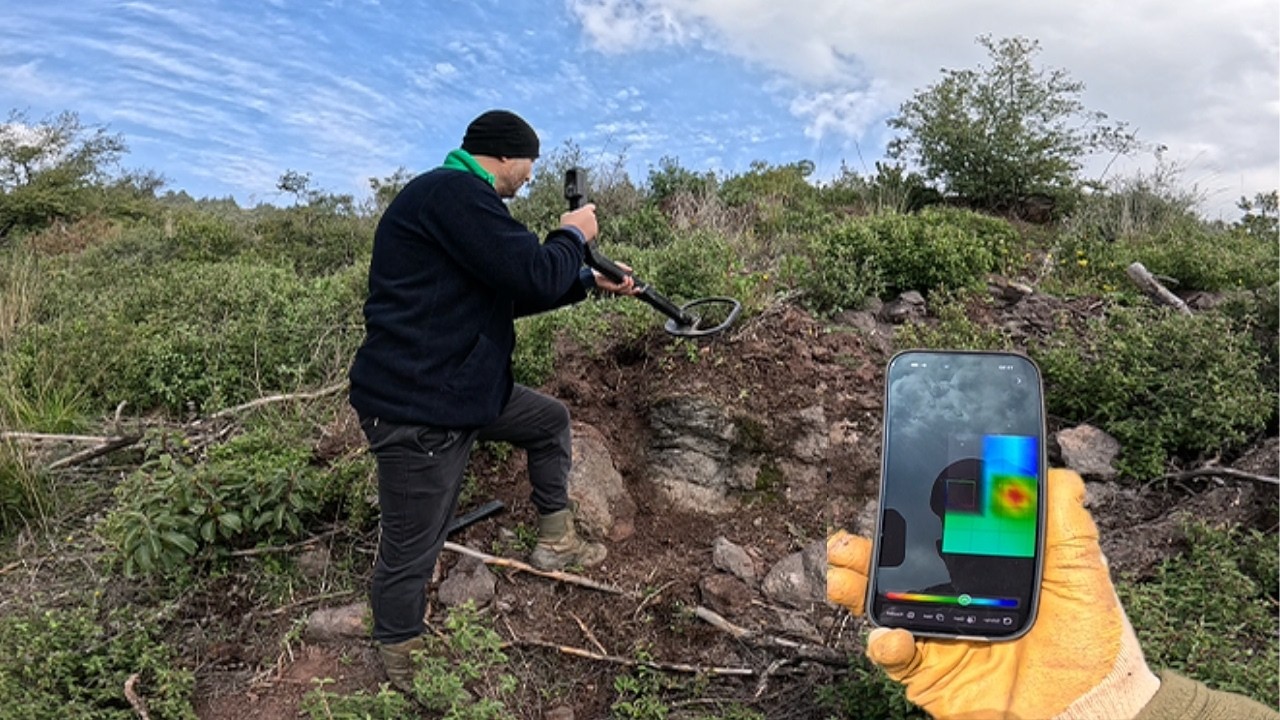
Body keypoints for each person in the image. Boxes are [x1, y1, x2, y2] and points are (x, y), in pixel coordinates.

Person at [348, 109, 638, 693]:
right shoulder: (454, 195)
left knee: (548, 419)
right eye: (529, 163)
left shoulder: (460, 204)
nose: (531, 175)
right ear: (506, 155)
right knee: (414, 543)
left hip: (460, 391)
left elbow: (505, 294)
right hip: (418, 407)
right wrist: (576, 235)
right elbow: (532, 272)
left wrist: (584, 283)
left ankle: (555, 540)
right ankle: (401, 655)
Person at [827, 468, 1279, 719]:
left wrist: (1107, 703)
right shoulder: (935, 605)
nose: (948, 546)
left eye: (967, 531)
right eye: (948, 530)